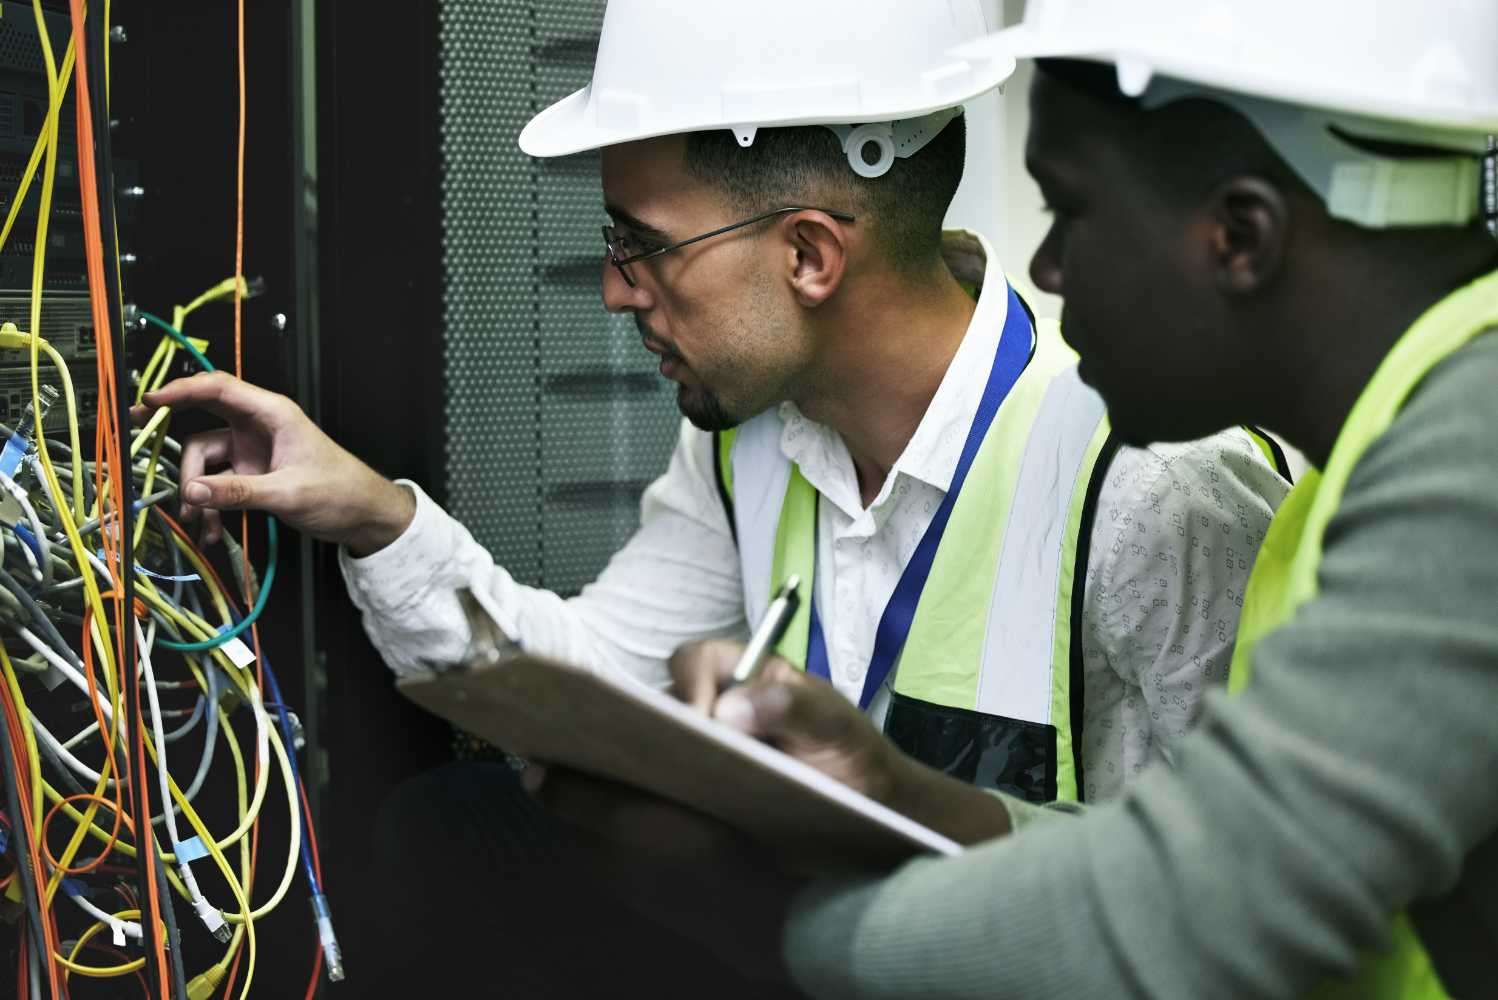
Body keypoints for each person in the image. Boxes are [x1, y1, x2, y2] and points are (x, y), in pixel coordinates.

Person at [142, 0, 1284, 992]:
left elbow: (1235, 909)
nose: (610, 291)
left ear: (808, 256)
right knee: (457, 834)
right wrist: (374, 515)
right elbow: (590, 678)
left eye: (642, 248)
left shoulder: (1153, 491)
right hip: (836, 946)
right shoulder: (751, 443)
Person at [633, 1, 1498, 996]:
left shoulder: (1471, 449)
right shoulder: (1356, 477)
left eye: (1069, 210)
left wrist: (776, 928)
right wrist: (895, 789)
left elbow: (1213, 906)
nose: (1043, 268)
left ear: (1238, 236)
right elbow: (1200, 850)